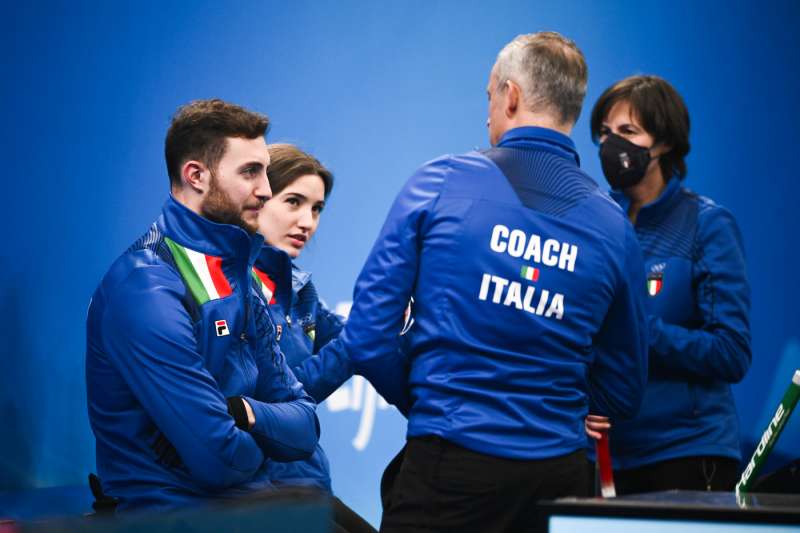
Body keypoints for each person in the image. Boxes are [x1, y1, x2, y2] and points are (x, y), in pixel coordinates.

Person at [317, 32, 649, 532]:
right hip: (558, 480)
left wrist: (431, 400)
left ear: (511, 96)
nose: (488, 110)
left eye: (490, 95)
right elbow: (624, 388)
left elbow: (366, 336)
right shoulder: (615, 227)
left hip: (449, 469)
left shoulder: (440, 183)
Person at [85, 99, 320, 511]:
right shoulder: (145, 287)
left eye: (264, 170)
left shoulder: (238, 277)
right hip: (170, 516)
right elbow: (220, 461)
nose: (266, 190)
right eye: (250, 172)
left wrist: (244, 412)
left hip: (247, 509)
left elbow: (306, 425)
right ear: (196, 175)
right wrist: (268, 440)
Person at [585, 75, 751, 494]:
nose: (612, 146)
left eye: (628, 132)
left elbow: (731, 352)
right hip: (603, 457)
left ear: (663, 144)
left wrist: (639, 332)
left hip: (686, 454)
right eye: (605, 133)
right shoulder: (595, 222)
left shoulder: (706, 224)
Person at [253, 143, 375, 532]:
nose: (308, 221)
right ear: (256, 196)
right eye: (294, 202)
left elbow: (355, 337)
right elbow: (282, 398)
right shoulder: (233, 288)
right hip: (259, 495)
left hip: (305, 484)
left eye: (317, 208)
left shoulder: (298, 285)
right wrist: (362, 338)